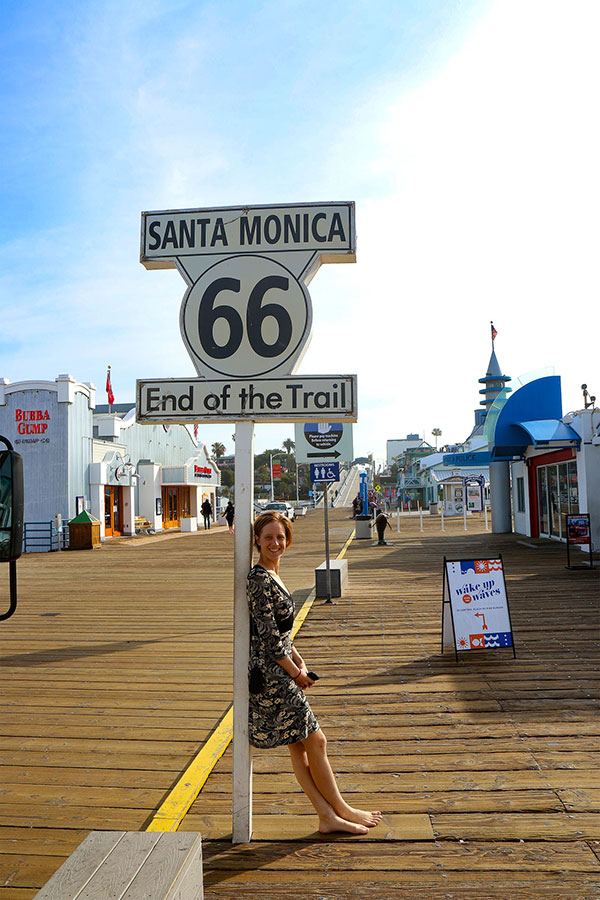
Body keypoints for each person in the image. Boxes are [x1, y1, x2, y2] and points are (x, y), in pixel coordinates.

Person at [247, 511, 382, 835]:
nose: (275, 543)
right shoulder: (258, 580)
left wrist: (300, 659)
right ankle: (341, 808)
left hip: (280, 667)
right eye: (268, 538)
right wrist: (295, 673)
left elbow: (282, 634)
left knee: (300, 745)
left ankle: (327, 816)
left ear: (288, 539)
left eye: (280, 537)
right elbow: (267, 638)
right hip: (270, 676)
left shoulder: (273, 573)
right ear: (257, 540)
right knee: (316, 741)